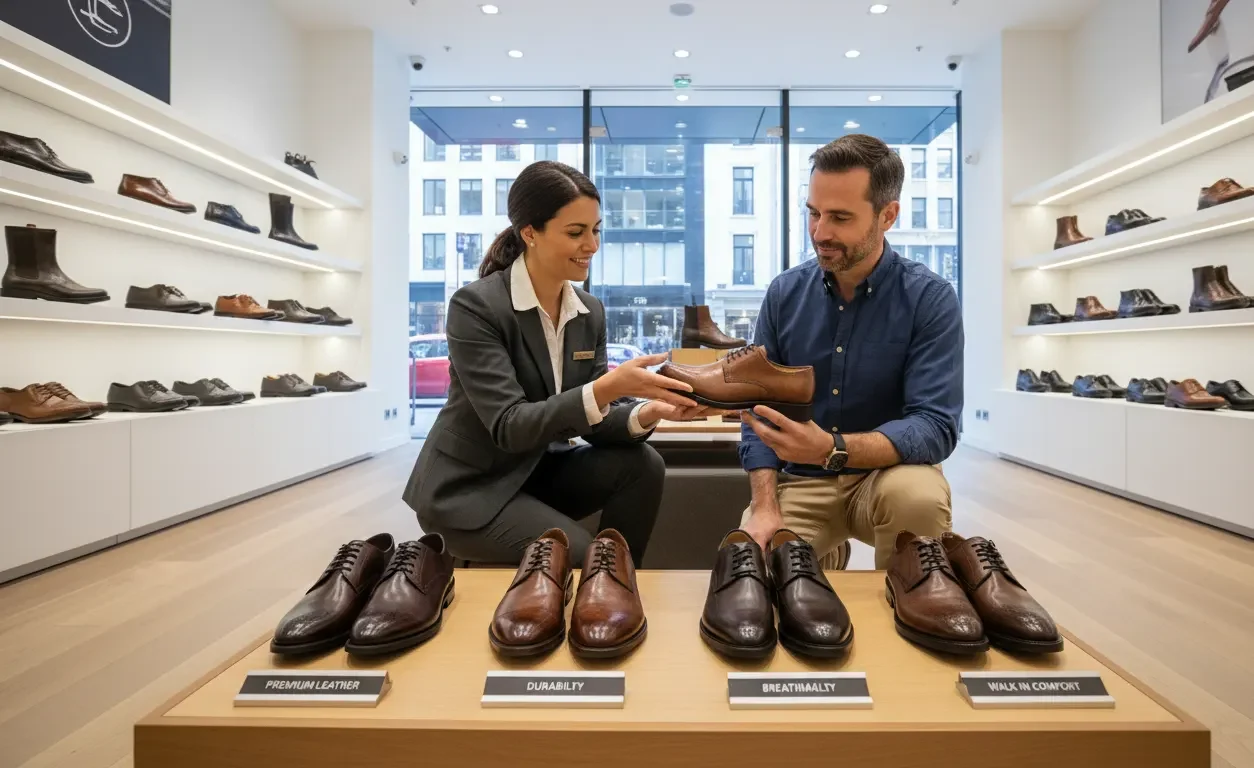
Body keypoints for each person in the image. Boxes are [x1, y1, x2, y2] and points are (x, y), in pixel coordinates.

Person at [402, 161, 711, 566]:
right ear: (530, 232)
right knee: (578, 555)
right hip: (469, 489)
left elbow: (594, 421)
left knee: (642, 465)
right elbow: (510, 425)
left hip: (537, 474)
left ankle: (616, 583)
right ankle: (600, 577)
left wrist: (652, 411)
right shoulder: (476, 306)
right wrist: (609, 387)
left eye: (596, 230)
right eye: (576, 232)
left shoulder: (589, 311)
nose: (592, 245)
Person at [737, 134, 963, 569]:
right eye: (814, 213)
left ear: (888, 215)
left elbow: (935, 426)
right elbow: (758, 412)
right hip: (800, 482)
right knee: (758, 565)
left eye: (840, 217)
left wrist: (831, 447)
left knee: (918, 499)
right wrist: (764, 506)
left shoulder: (930, 299)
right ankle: (825, 549)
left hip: (887, 477)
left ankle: (909, 599)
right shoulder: (784, 294)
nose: (820, 232)